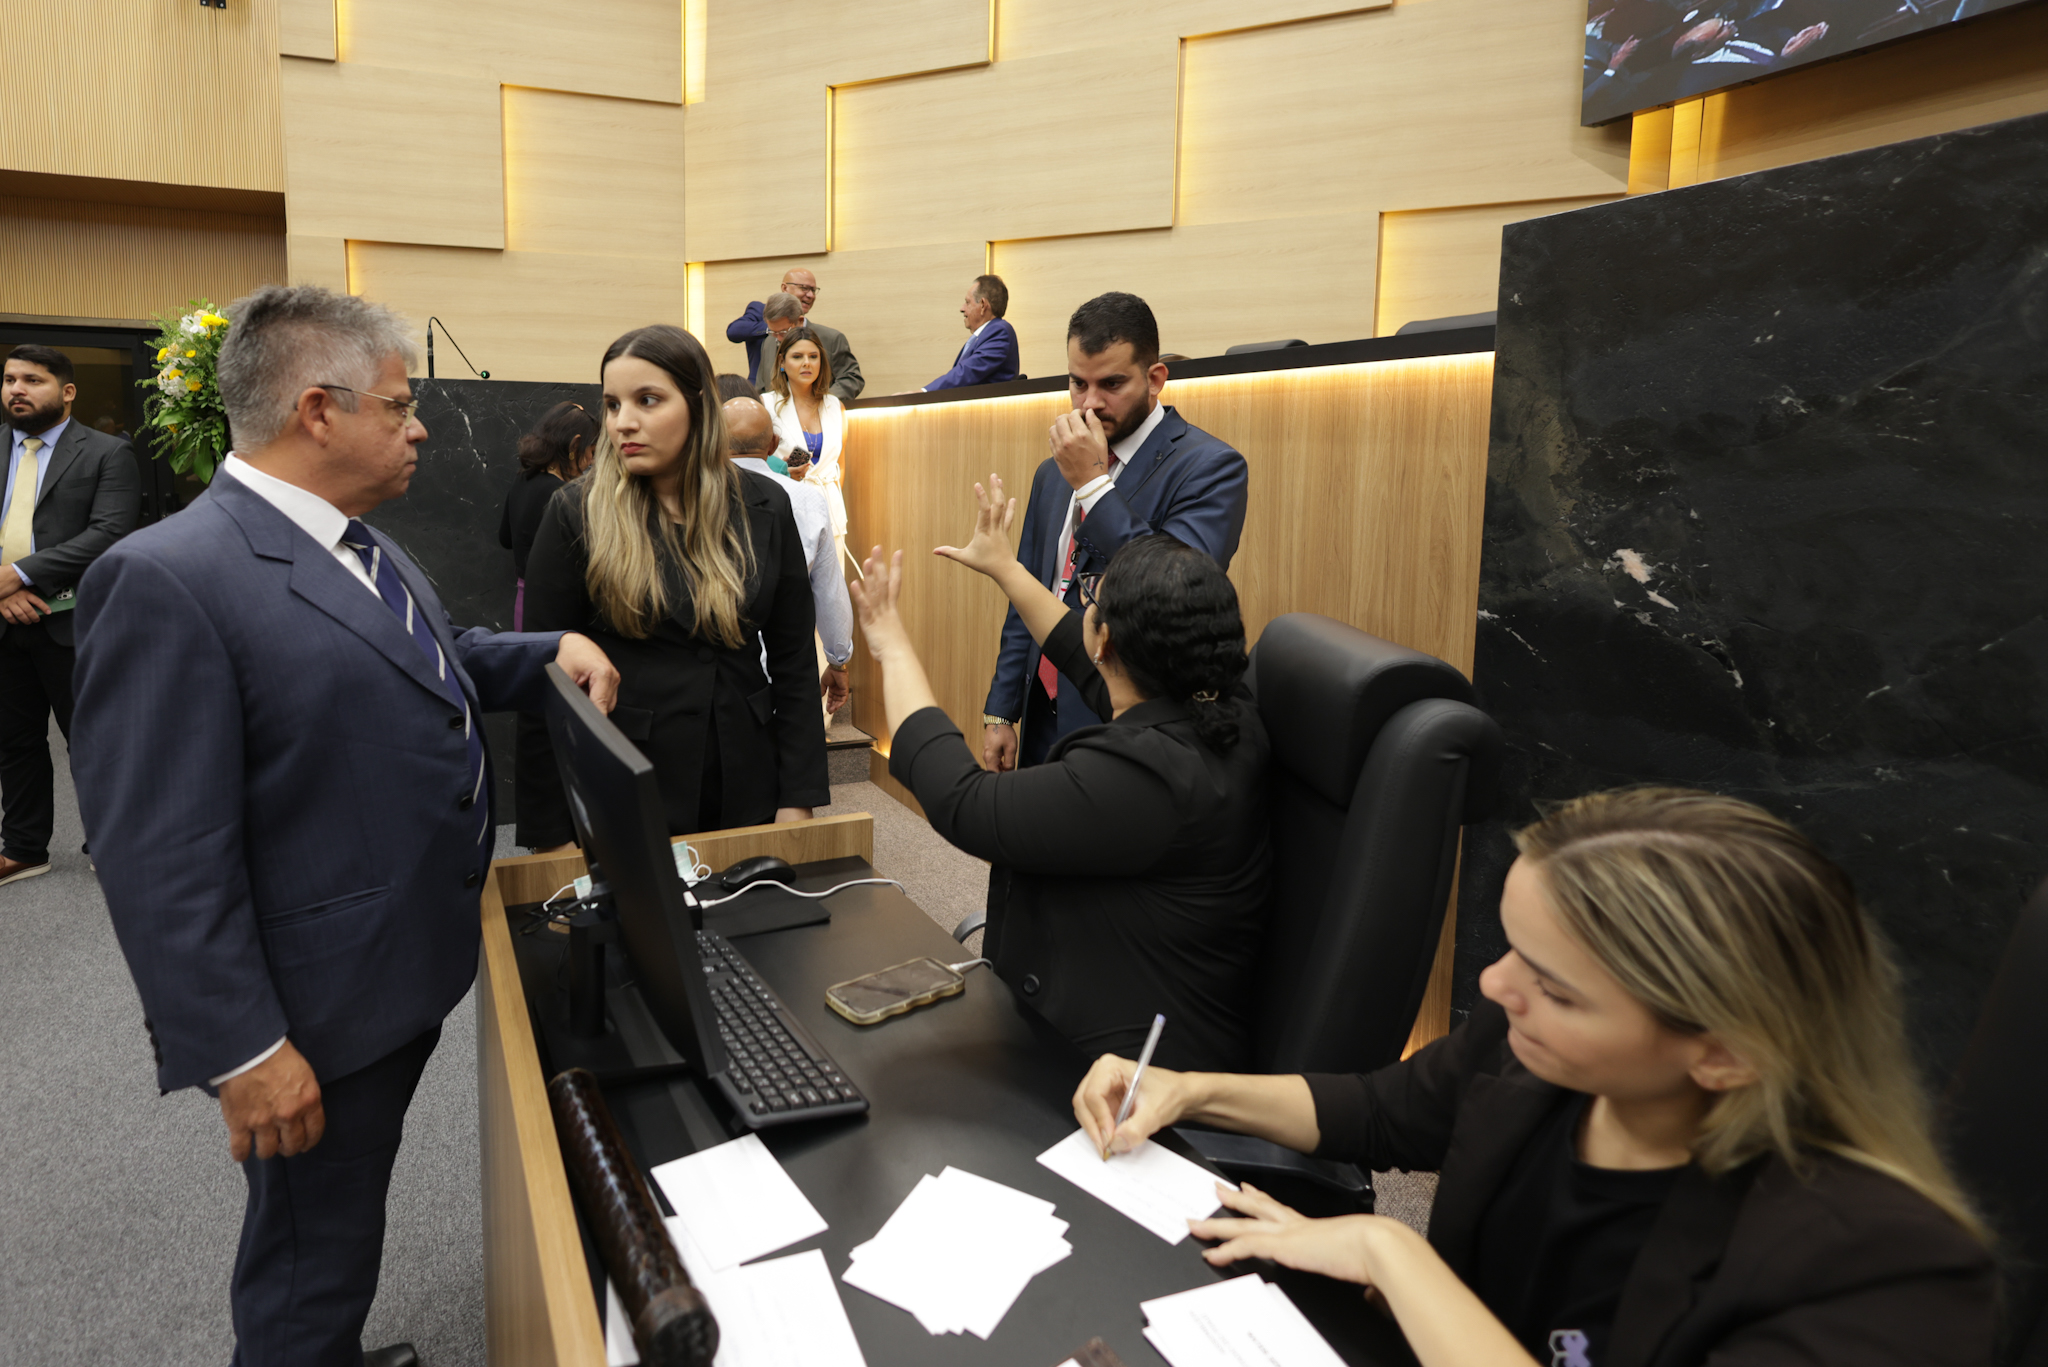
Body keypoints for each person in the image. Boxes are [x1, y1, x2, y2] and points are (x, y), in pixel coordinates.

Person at [70, 284, 621, 1367]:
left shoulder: (360, 543)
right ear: (318, 410)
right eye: (400, 406)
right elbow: (158, 852)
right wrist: (244, 1050)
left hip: (387, 970)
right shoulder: (167, 578)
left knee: (341, 1217)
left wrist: (544, 650)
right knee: (306, 1258)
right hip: (306, 1011)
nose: (421, 429)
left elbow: (434, 659)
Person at [1072, 787, 1997, 1367]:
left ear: (1725, 1052)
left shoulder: (1879, 1275)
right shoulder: (1539, 1061)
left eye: (1553, 987)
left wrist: (1393, 1256)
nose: (1493, 986)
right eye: (1510, 947)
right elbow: (1381, 1110)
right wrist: (1192, 1089)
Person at [848, 476, 1271, 1071]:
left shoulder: (1141, 776)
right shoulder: (1223, 708)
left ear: (1109, 641)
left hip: (1122, 1073)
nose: (1083, 608)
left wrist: (890, 644)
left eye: (1091, 598)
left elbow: (963, 802)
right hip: (1165, 1011)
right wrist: (1005, 567)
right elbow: (1077, 647)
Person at [521, 325, 828, 846]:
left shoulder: (765, 504)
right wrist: (552, 834)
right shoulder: (576, 511)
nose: (623, 422)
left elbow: (794, 662)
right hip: (627, 780)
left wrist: (797, 796)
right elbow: (544, 678)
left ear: (698, 406)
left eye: (647, 400)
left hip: (747, 775)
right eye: (612, 405)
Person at [982, 292, 1249, 771]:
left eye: (1111, 384)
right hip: (1042, 709)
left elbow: (1174, 591)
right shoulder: (1052, 472)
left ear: (1155, 379)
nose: (1090, 403)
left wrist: (1093, 487)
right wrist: (1002, 710)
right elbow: (1034, 589)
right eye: (1077, 384)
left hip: (1127, 725)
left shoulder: (1211, 468)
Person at [0, 344, 140, 885]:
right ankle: (24, 847)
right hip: (4, 622)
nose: (17, 389)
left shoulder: (107, 452)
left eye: (32, 380)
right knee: (14, 742)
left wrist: (20, 574)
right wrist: (3, 592)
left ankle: (110, 842)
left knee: (94, 740)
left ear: (68, 391)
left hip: (75, 623)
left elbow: (108, 532)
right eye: (10, 379)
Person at [724, 392, 851, 718]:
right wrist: (838, 660)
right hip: (790, 670)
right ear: (772, 444)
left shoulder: (691, 498)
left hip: (716, 677)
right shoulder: (807, 499)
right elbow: (829, 592)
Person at [498, 400, 598, 630]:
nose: (591, 461)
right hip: (557, 610)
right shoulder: (563, 496)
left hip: (524, 605)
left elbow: (505, 538)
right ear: (575, 445)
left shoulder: (524, 478)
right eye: (591, 452)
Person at [759, 324, 849, 567]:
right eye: (797, 356)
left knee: (832, 585)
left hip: (830, 511)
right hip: (787, 508)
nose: (806, 363)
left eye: (813, 356)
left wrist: (827, 499)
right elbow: (756, 465)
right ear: (782, 362)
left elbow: (839, 466)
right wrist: (784, 472)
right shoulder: (766, 405)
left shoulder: (835, 406)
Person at [726, 268, 865, 400]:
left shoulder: (831, 338)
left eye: (783, 332)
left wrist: (823, 401)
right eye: (804, 288)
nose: (778, 338)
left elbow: (851, 378)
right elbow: (761, 387)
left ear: (800, 321)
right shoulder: (769, 341)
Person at [925, 274, 1020, 391]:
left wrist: (925, 392)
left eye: (967, 302)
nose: (962, 308)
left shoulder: (1000, 331)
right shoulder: (982, 337)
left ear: (983, 305)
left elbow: (967, 372)